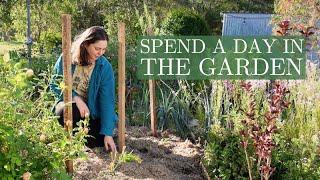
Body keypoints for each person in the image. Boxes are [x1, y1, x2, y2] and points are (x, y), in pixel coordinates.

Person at [49, 26, 118, 152]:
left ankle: (83, 140)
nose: (100, 53)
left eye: (104, 49)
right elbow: (55, 83)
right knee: (65, 109)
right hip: (72, 112)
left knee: (100, 141)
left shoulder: (104, 67)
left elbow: (107, 102)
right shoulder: (67, 58)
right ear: (86, 44)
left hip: (91, 116)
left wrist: (108, 133)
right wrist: (76, 98)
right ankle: (75, 142)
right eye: (97, 48)